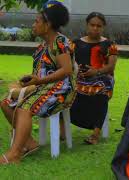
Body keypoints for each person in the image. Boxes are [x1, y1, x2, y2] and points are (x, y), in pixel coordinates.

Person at [0, 1, 76, 164]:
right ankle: (29, 143)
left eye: (37, 21)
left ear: (47, 25)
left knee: (24, 108)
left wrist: (39, 81)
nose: (33, 24)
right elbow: (39, 73)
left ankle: (15, 154)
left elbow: (66, 70)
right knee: (6, 103)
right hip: (44, 87)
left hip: (62, 89)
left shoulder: (60, 42)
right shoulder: (42, 47)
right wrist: (27, 82)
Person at [65, 12, 118, 145]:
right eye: (92, 25)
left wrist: (96, 72)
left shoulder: (110, 45)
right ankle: (62, 130)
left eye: (98, 26)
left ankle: (95, 133)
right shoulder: (74, 44)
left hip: (102, 78)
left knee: (100, 91)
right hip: (79, 78)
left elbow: (111, 67)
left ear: (103, 27)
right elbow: (68, 63)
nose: (95, 28)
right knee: (64, 89)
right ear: (87, 25)